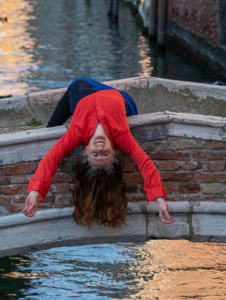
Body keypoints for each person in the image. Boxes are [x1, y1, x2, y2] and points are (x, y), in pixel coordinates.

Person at [23, 78, 174, 227]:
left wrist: (35, 192)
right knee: (83, 85)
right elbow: (145, 163)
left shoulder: (77, 132)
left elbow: (51, 159)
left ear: (86, 150)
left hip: (84, 94)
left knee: (78, 83)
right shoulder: (121, 135)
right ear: (113, 151)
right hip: (125, 102)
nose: (100, 149)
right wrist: (160, 199)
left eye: (96, 154)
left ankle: (50, 127)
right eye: (105, 154)